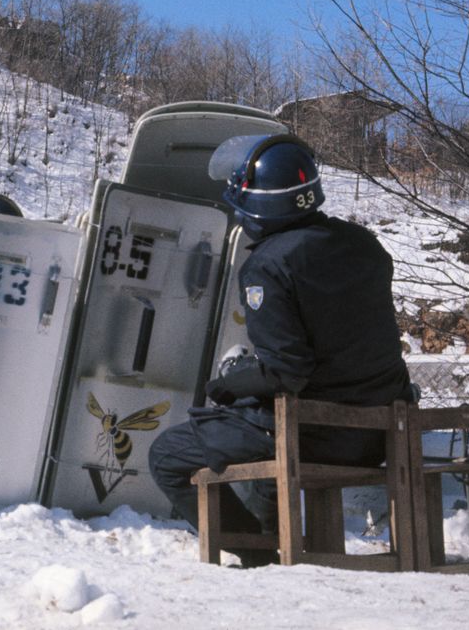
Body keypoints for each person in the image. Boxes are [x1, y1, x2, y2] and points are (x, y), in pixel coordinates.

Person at [147, 133, 413, 567]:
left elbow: (288, 370)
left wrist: (226, 386)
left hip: (314, 435)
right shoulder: (364, 245)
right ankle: (267, 552)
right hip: (376, 436)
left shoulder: (267, 266)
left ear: (258, 206)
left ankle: (257, 555)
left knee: (168, 453)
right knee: (266, 431)